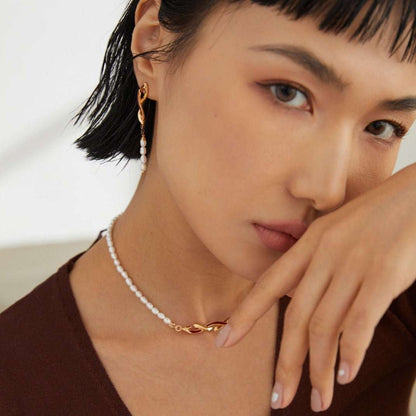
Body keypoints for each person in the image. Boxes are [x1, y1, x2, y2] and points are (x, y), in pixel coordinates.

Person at [1, 0, 416, 414]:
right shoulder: (18, 383)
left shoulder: (390, 291)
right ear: (152, 45)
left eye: (381, 128)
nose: (327, 190)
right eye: (287, 93)